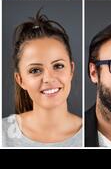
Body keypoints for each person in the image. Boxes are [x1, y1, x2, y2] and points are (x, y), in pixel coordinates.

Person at [2, 11, 82, 147]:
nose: (48, 78)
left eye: (58, 66)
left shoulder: (93, 134)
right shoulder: (3, 135)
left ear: (71, 70)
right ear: (20, 79)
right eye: (35, 70)